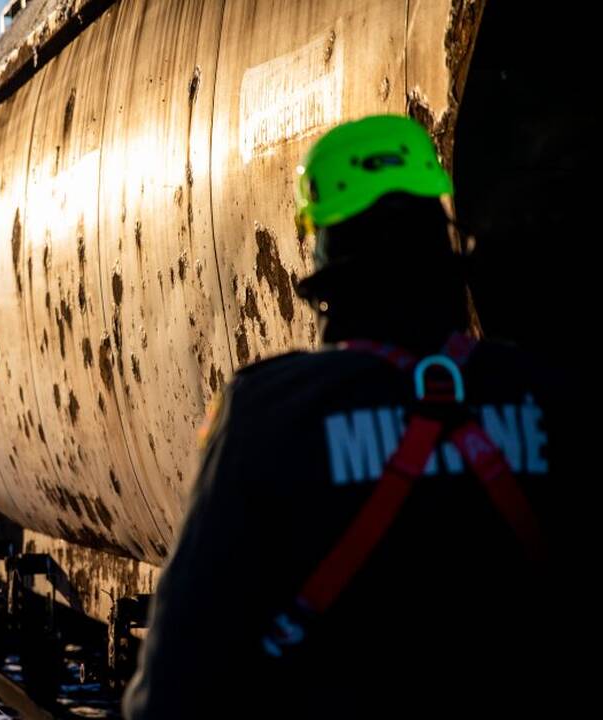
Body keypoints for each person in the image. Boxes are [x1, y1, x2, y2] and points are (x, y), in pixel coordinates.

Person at [124, 115, 572, 718]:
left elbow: (175, 681)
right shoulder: (548, 397)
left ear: (323, 244)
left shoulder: (269, 413)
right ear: (442, 227)